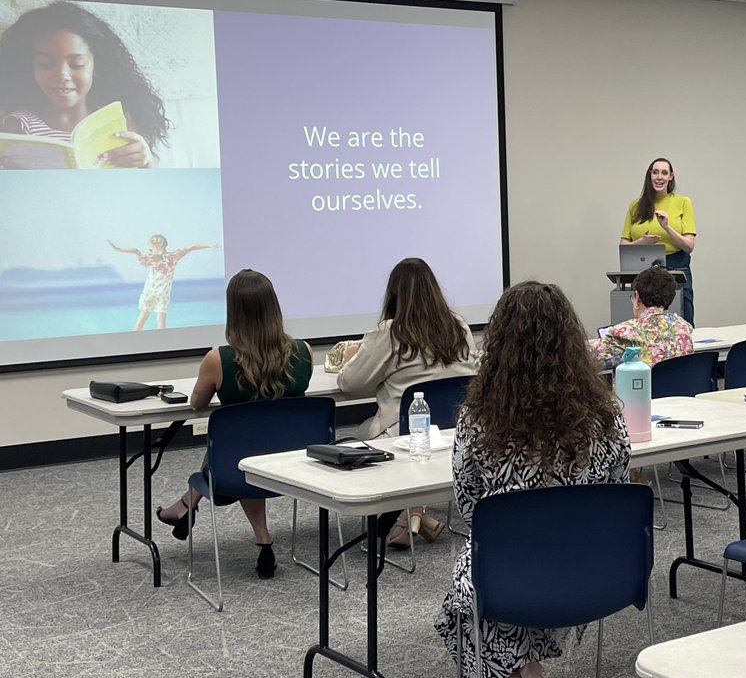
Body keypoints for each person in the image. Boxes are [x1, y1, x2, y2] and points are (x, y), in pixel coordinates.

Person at [434, 281, 629, 678]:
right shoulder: (606, 416)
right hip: (589, 569)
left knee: (484, 564)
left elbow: (470, 506)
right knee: (518, 559)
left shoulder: (476, 420)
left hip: (504, 571)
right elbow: (617, 492)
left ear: (499, 345)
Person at [155, 269, 313, 579]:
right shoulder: (303, 352)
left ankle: (189, 506)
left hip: (238, 466)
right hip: (292, 462)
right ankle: (191, 509)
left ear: (234, 313)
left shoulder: (218, 360)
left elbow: (197, 403)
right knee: (249, 442)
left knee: (238, 447)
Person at [337, 257, 477, 548]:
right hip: (452, 433)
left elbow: (350, 384)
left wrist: (353, 357)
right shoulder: (458, 326)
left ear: (393, 294)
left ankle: (407, 515)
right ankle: (413, 515)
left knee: (360, 433)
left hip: (402, 436)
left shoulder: (391, 332)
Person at [0, 1, 169, 168]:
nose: (62, 75)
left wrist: (146, 162)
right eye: (46, 63)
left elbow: (140, 180)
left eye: (77, 64)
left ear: (97, 66)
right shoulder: (19, 125)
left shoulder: (117, 119)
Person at [620, 157, 696, 325]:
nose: (659, 177)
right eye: (655, 172)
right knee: (644, 325)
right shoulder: (636, 205)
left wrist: (667, 227)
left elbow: (689, 246)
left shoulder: (683, 202)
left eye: (664, 172)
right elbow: (623, 245)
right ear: (649, 176)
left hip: (676, 266)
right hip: (641, 269)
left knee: (684, 321)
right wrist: (642, 242)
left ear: (671, 177)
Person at [590, 265, 692, 369]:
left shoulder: (624, 333)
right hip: (679, 380)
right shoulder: (684, 327)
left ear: (637, 297)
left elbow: (588, 357)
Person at [108, 235, 220, 330]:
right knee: (149, 320)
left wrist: (208, 245)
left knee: (154, 321)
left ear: (158, 246)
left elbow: (190, 248)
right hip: (153, 292)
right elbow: (136, 251)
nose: (151, 249)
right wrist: (117, 249)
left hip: (159, 293)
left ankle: (157, 343)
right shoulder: (163, 256)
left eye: (152, 247)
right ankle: (144, 341)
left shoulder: (167, 256)